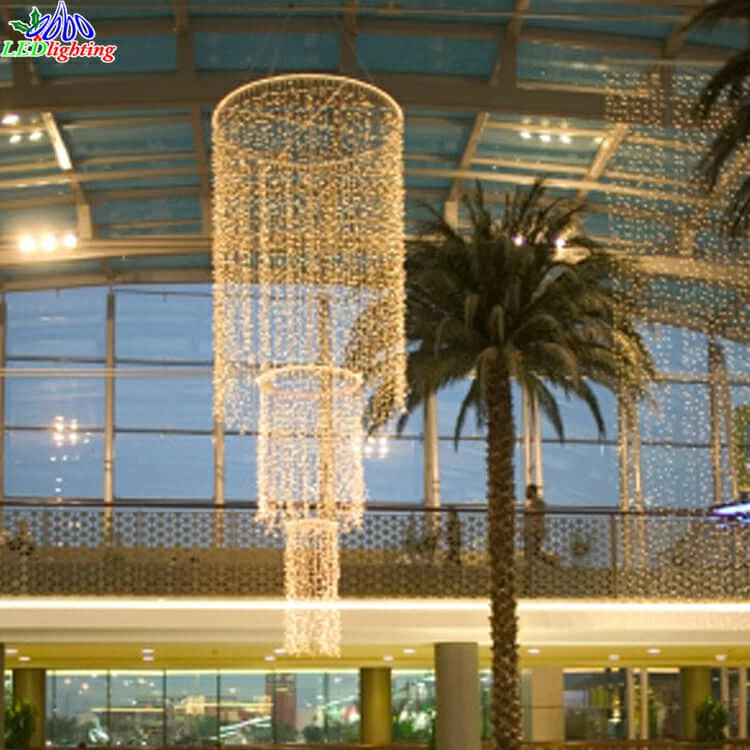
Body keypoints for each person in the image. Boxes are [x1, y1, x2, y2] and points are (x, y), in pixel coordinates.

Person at [523, 483, 546, 562]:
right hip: (529, 530)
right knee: (529, 552)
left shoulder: (539, 503)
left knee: (535, 551)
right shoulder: (529, 504)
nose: (526, 493)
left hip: (536, 530)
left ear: (532, 491)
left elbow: (540, 513)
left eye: (527, 491)